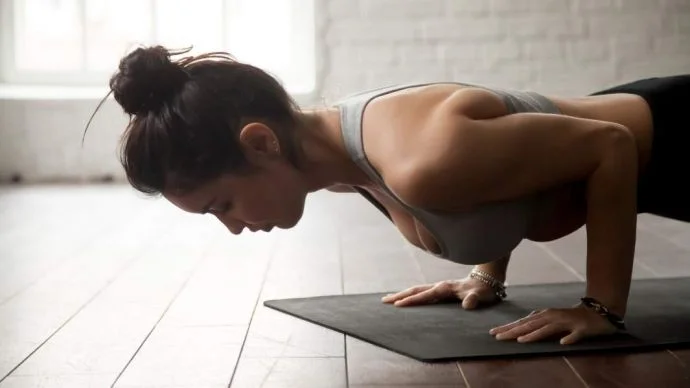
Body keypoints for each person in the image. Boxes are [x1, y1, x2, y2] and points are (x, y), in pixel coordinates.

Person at [95, 45, 689, 346]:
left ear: (260, 143)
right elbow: (507, 175)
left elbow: (611, 147)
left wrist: (601, 308)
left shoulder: (421, 158)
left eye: (221, 205)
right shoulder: (333, 157)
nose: (230, 227)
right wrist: (486, 275)